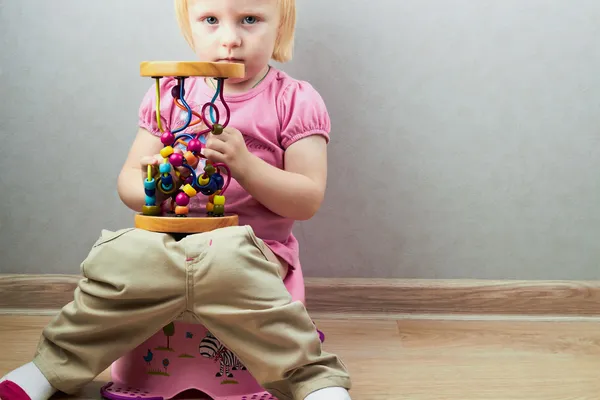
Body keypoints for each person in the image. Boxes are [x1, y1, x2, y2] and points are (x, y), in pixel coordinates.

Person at [0, 0, 352, 399]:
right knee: (119, 258)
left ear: (280, 24)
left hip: (252, 248)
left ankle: (314, 381)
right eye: (211, 20)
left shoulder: (294, 100)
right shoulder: (171, 97)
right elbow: (128, 183)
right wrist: (157, 180)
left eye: (250, 20)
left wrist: (246, 167)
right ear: (190, 25)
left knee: (227, 262)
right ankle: (49, 368)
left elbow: (305, 200)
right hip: (169, 242)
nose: (230, 39)